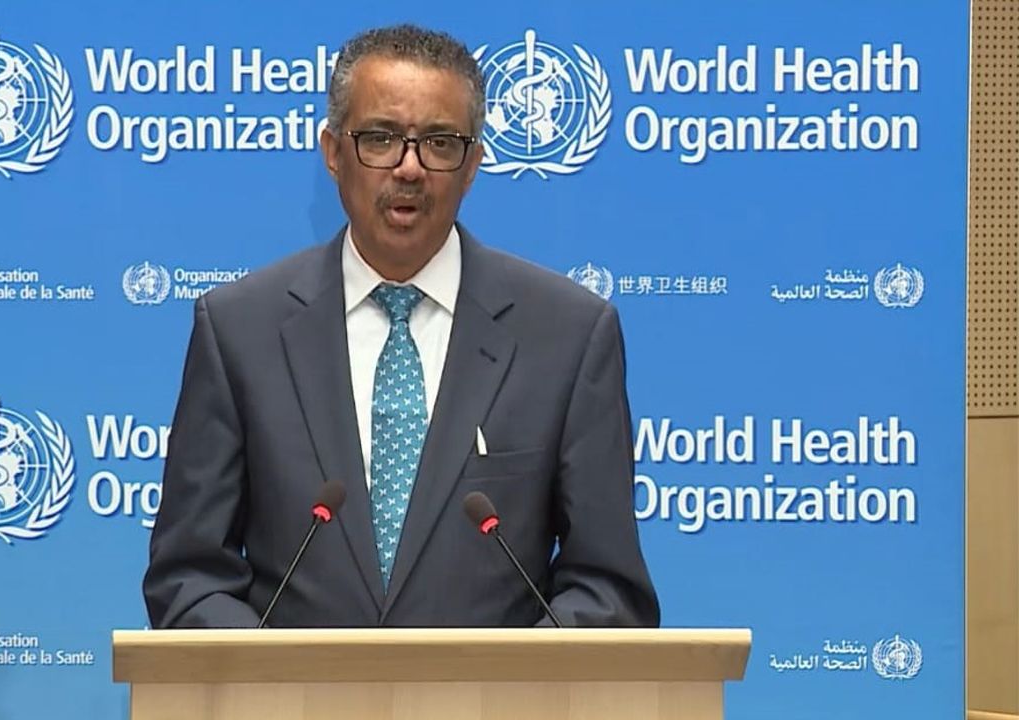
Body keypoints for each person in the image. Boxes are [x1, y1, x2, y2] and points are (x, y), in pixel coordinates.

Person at [143, 24, 659, 628]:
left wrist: (507, 679)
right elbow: (190, 577)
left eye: (440, 142)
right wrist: (277, 675)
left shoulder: (568, 335)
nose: (409, 168)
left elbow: (606, 590)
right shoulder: (239, 330)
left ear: (473, 163)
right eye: (381, 138)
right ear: (333, 153)